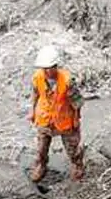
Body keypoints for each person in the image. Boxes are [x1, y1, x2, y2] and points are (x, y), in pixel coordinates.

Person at [27, 45, 85, 182]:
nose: (47, 71)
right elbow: (35, 94)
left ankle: (77, 165)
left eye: (50, 68)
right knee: (41, 148)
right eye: (44, 68)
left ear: (55, 66)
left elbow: (77, 102)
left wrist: (76, 119)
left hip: (64, 118)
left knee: (72, 148)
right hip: (45, 118)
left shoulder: (67, 81)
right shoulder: (37, 77)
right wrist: (32, 111)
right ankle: (41, 166)